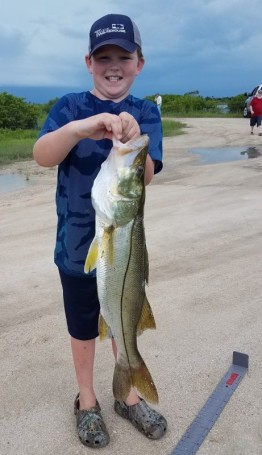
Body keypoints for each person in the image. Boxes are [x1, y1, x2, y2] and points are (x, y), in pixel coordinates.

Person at [33, 13, 166, 449]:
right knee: (83, 326)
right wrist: (78, 129)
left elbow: (142, 177)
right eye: (104, 56)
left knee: (120, 313)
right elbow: (42, 155)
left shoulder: (146, 112)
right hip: (74, 250)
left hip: (125, 249)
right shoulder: (69, 108)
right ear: (89, 61)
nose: (114, 65)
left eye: (123, 56)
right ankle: (87, 400)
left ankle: (127, 394)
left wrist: (134, 140)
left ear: (139, 63)